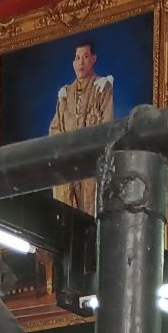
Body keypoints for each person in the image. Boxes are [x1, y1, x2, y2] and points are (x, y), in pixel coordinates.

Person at [48, 41, 116, 212]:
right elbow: (55, 129)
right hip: (67, 168)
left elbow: (107, 127)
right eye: (77, 58)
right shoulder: (65, 94)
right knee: (64, 215)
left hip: (90, 166)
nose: (81, 62)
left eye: (85, 57)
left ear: (93, 59)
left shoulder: (102, 87)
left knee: (90, 215)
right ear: (73, 63)